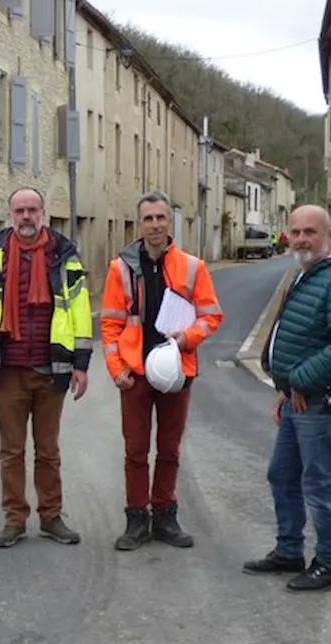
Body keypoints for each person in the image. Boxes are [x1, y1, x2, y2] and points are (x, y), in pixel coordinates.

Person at [243, 204, 331, 592]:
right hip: (300, 398)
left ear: (328, 236)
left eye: (310, 232)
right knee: (282, 474)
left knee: (319, 482)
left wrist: (299, 379)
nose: (301, 239)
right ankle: (289, 551)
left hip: (325, 400)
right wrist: (285, 388)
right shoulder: (309, 274)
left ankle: (329, 564)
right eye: (295, 232)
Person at [0, 188, 93, 548]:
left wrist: (80, 365)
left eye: (32, 210)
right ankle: (14, 520)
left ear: (44, 212)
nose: (26, 216)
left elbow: (80, 312)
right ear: (10, 215)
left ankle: (51, 517)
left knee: (48, 451)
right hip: (6, 372)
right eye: (19, 210)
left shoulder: (63, 257)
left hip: (51, 371)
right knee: (11, 452)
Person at [100, 191, 224, 551]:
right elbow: (109, 325)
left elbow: (212, 315)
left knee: (169, 449)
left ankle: (165, 516)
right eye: (148, 218)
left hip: (176, 370)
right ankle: (136, 520)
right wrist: (116, 369)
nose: (155, 224)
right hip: (135, 374)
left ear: (170, 222)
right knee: (135, 451)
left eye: (161, 218)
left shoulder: (192, 267)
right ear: (139, 224)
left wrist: (187, 338)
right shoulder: (119, 268)